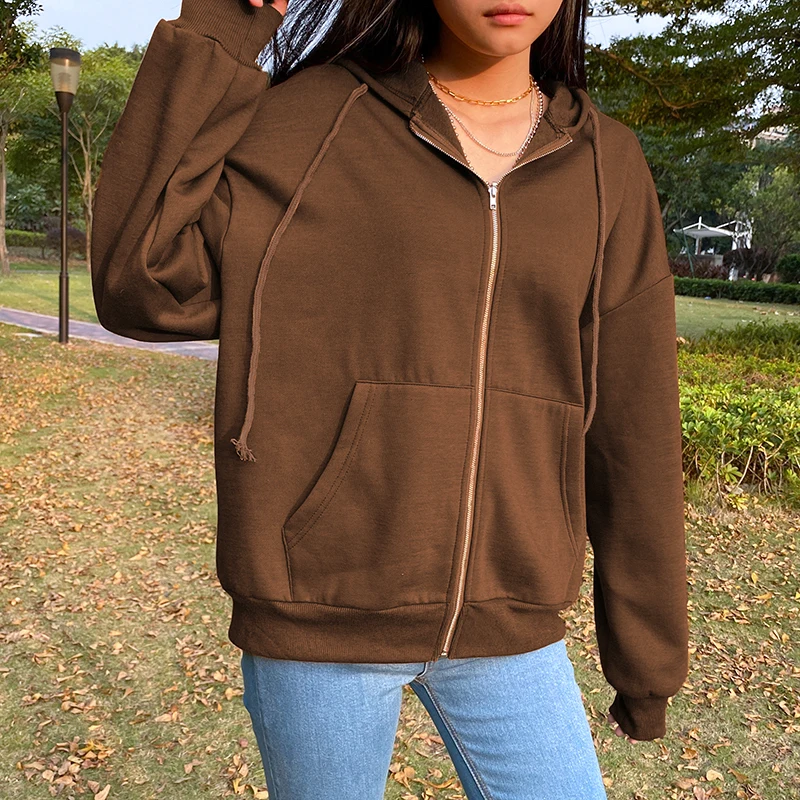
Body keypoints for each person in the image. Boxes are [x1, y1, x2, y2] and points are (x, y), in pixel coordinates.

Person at [91, 0, 690, 797]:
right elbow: (141, 281)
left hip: (512, 624)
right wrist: (226, 24)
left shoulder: (606, 162)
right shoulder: (311, 119)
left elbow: (633, 423)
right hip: (318, 621)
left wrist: (647, 661)